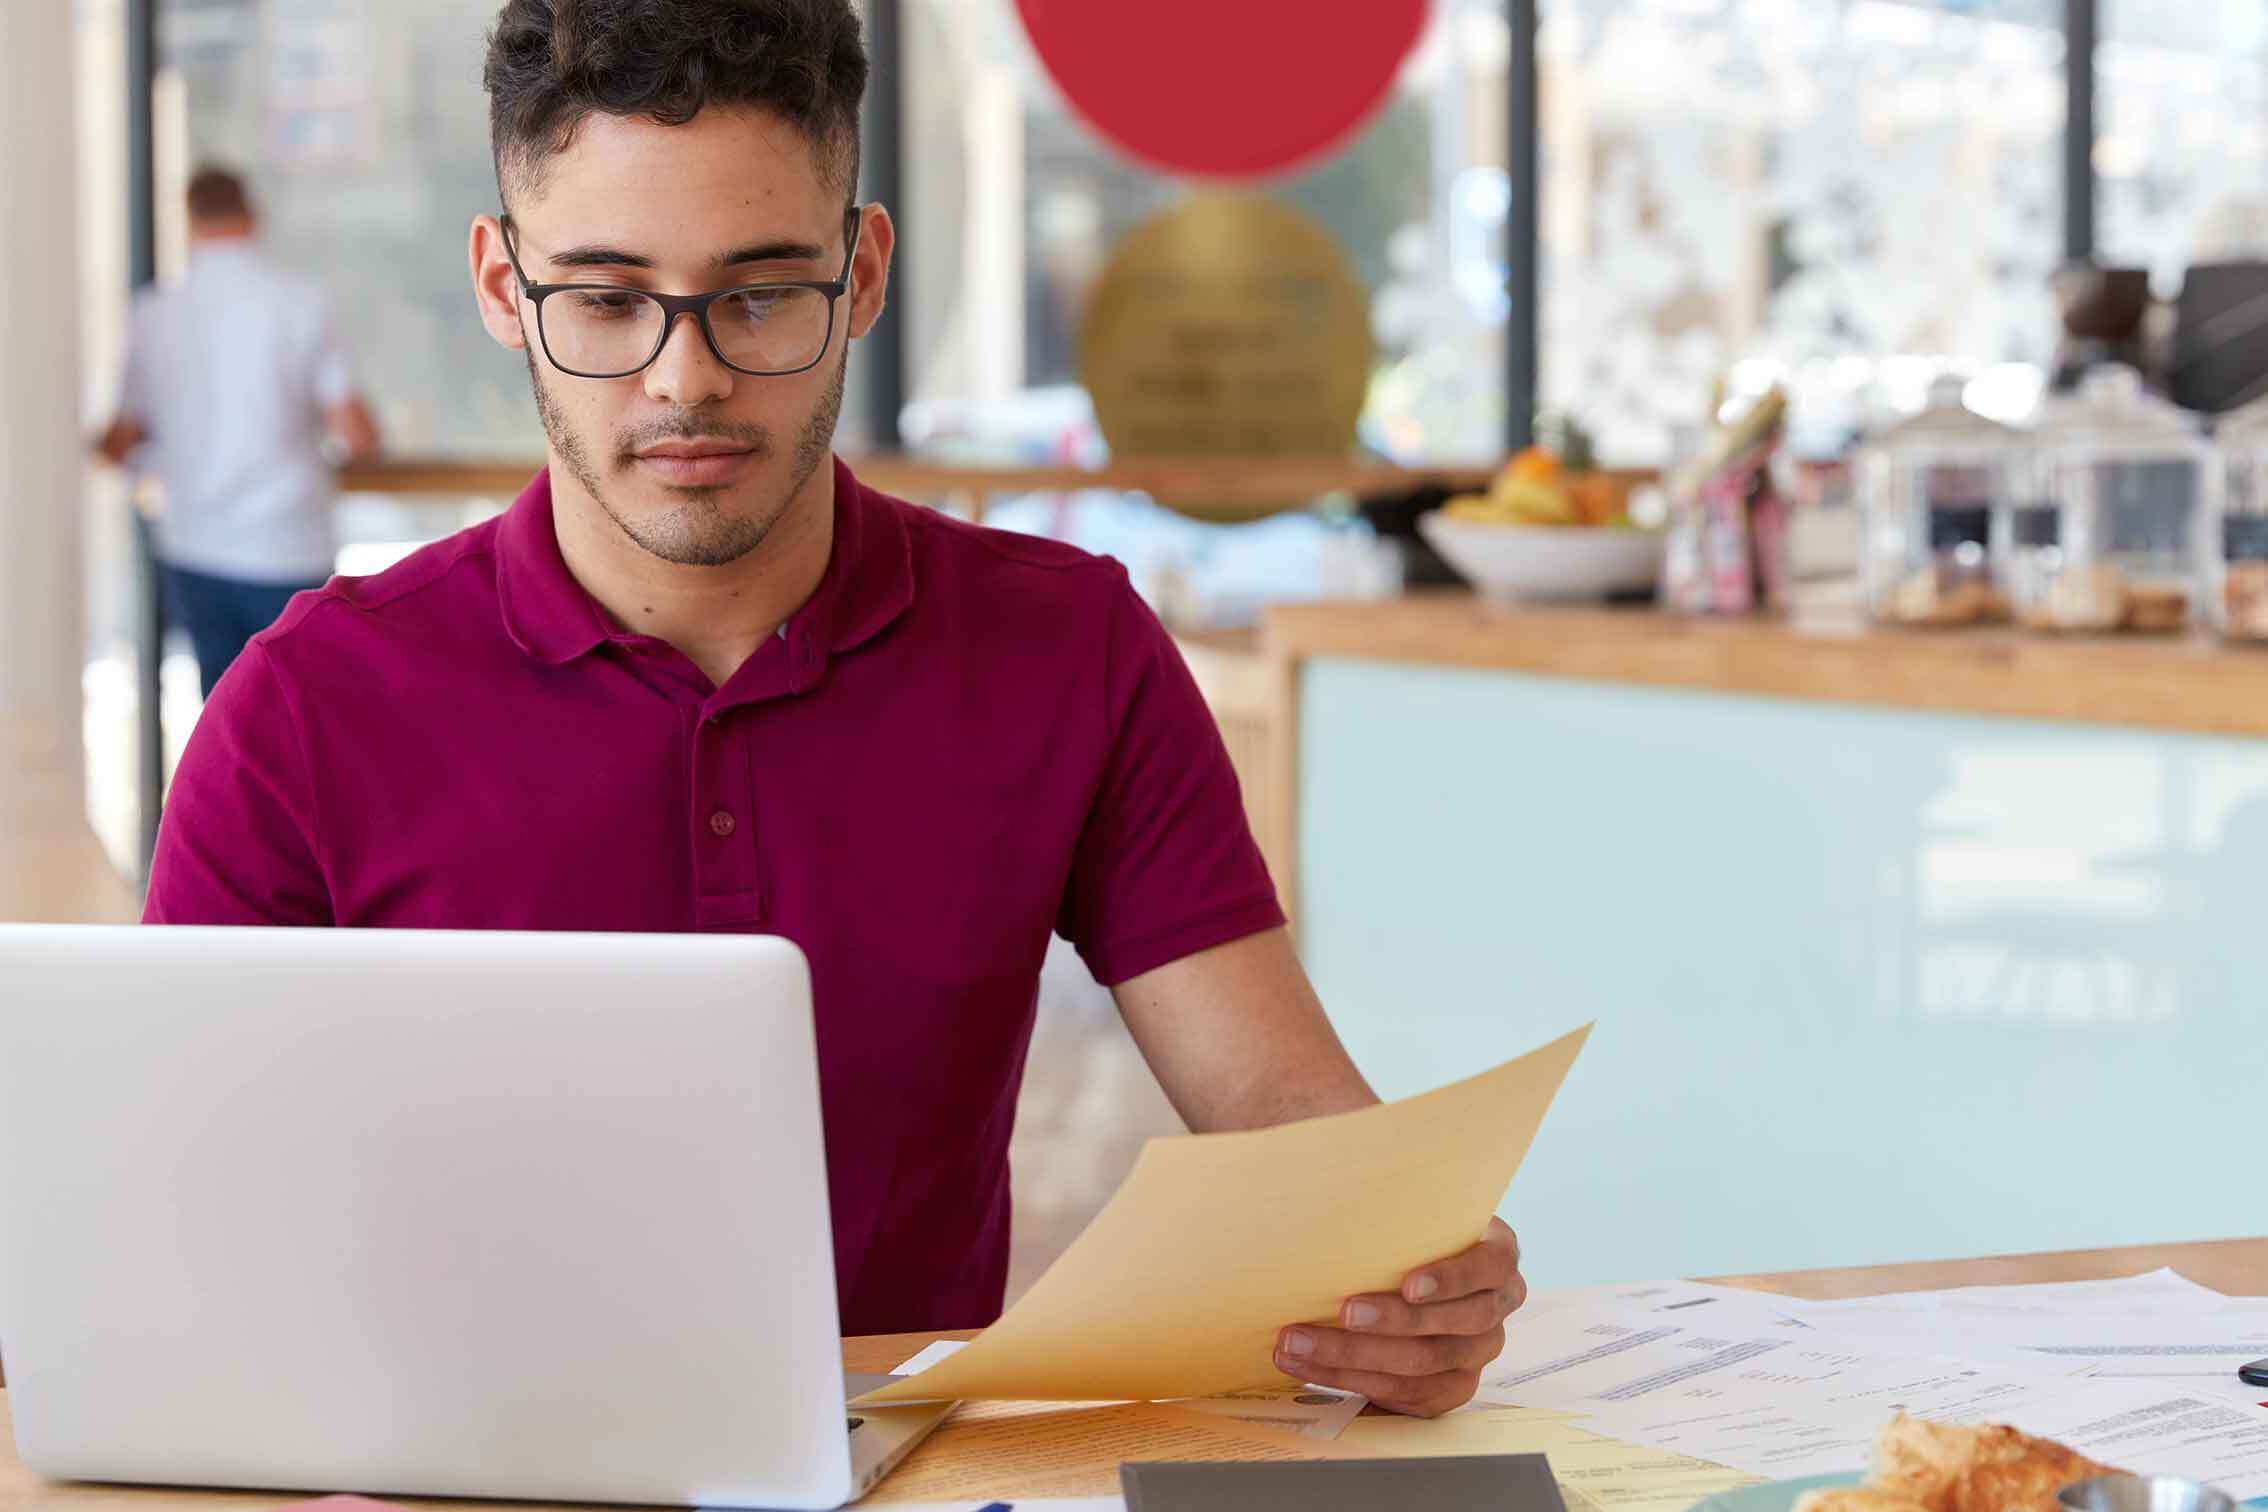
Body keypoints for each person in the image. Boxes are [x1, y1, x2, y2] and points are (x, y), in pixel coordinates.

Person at [143, 0, 1524, 1417]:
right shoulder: (307, 708)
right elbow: (160, 1232)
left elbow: (1287, 1120)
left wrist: (1401, 1279)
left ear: (861, 272)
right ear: (504, 287)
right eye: (609, 300)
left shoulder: (1069, 649)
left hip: (907, 1477)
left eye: (759, 293)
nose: (688, 380)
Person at [94, 166, 382, 698]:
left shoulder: (154, 314)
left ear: (189, 222)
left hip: (194, 544)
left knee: (225, 716)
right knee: (303, 712)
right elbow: (358, 435)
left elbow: (120, 438)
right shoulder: (299, 302)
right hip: (286, 544)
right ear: (251, 215)